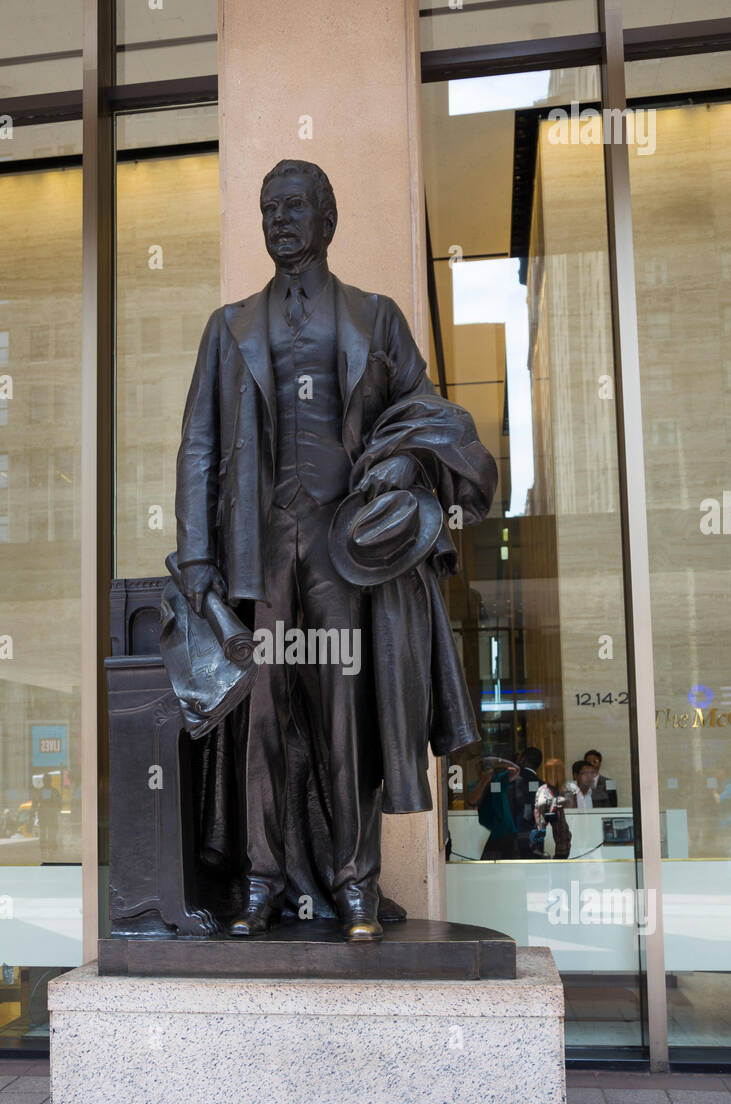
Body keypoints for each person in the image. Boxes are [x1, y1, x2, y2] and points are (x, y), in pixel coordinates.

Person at [175, 159, 496, 940]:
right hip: (256, 551)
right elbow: (196, 446)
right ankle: (259, 880)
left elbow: (426, 412)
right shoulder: (229, 327)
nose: (279, 220)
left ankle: (355, 884)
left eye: (293, 207)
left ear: (327, 220)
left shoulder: (375, 317)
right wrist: (194, 555)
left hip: (342, 551)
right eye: (267, 209)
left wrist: (397, 463)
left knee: (344, 717)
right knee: (261, 721)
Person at [467, 757, 520, 860]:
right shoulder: (474, 785)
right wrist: (484, 780)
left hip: (506, 830)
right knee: (488, 864)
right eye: (482, 769)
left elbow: (516, 770)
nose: (485, 771)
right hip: (487, 830)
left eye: (488, 768)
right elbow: (472, 801)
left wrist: (499, 761)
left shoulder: (499, 779)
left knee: (507, 865)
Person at [533, 758, 572, 859]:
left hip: (565, 831)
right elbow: (539, 807)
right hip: (547, 830)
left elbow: (572, 805)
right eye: (550, 771)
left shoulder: (569, 788)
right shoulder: (543, 789)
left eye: (556, 771)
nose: (553, 774)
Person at [510, 745, 542, 856]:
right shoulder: (543, 786)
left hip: (511, 839)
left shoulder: (509, 783)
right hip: (535, 839)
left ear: (523, 759)